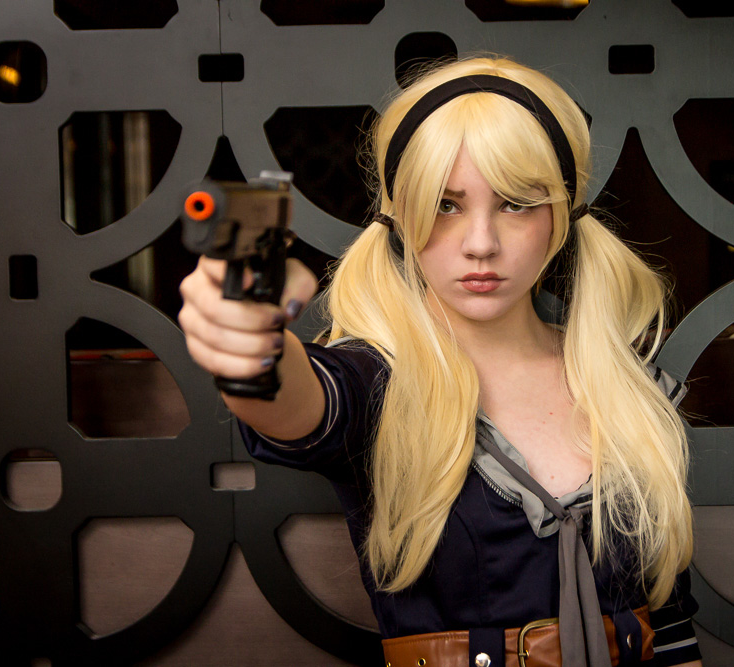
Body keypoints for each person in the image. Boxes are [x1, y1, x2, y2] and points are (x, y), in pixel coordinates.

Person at [178, 56, 702, 667]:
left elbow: (671, 628)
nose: (481, 244)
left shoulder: (628, 389)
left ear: (561, 215)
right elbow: (301, 402)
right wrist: (251, 350)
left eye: (516, 203)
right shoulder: (376, 383)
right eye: (445, 205)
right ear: (400, 216)